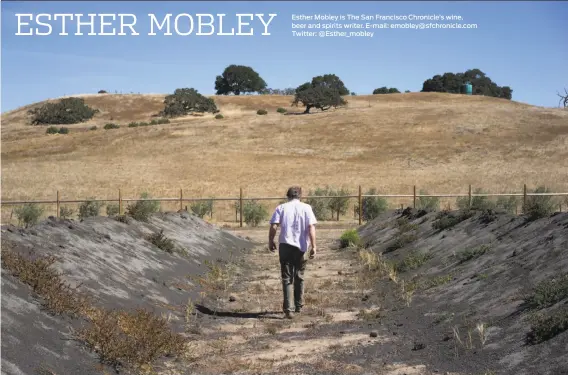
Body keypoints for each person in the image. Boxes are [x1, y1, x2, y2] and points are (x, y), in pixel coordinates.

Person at [268, 186, 317, 319]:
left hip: (285, 245)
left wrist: (270, 240)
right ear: (300, 196)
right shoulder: (307, 208)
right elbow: (311, 227)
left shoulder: (281, 208)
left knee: (287, 277)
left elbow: (274, 225)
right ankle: (298, 305)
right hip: (302, 246)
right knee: (299, 275)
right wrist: (314, 246)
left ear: (287, 196)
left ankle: (289, 309)